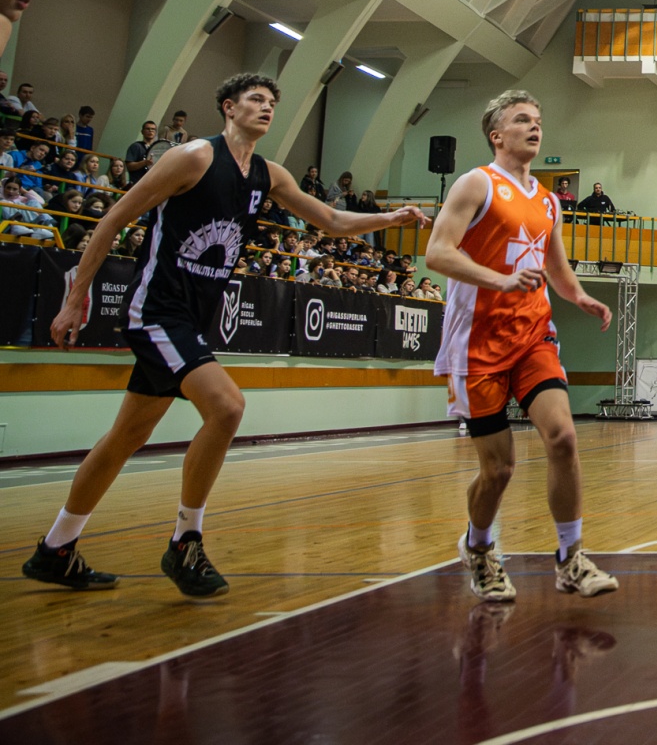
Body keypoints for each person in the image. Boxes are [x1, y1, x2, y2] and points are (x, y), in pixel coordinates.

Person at [24, 73, 424, 596]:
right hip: (156, 311)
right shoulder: (192, 158)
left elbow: (330, 220)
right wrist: (75, 297)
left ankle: (56, 548)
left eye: (272, 101)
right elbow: (114, 218)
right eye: (256, 99)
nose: (267, 107)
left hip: (191, 318)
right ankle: (185, 542)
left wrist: (390, 217)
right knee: (228, 407)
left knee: (126, 437)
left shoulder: (268, 174)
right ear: (228, 108)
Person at [427, 89, 618, 601]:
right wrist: (501, 280)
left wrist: (579, 297)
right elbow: (437, 253)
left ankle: (571, 558)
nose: (534, 127)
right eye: (522, 120)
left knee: (563, 438)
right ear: (497, 135)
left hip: (533, 335)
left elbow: (555, 266)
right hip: (476, 343)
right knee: (499, 469)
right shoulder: (476, 184)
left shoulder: (548, 200)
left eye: (537, 119)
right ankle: (479, 548)